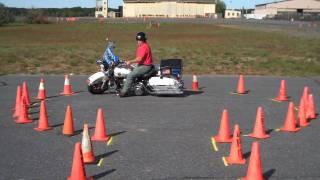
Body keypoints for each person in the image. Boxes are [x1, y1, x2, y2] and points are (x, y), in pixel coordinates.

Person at [118, 32, 153, 97]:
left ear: (143, 40)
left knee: (130, 75)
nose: (138, 41)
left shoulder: (144, 47)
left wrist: (130, 62)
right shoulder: (142, 46)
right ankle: (130, 87)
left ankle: (124, 92)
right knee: (128, 69)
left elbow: (139, 59)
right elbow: (139, 59)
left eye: (140, 40)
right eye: (138, 40)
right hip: (141, 64)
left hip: (145, 66)